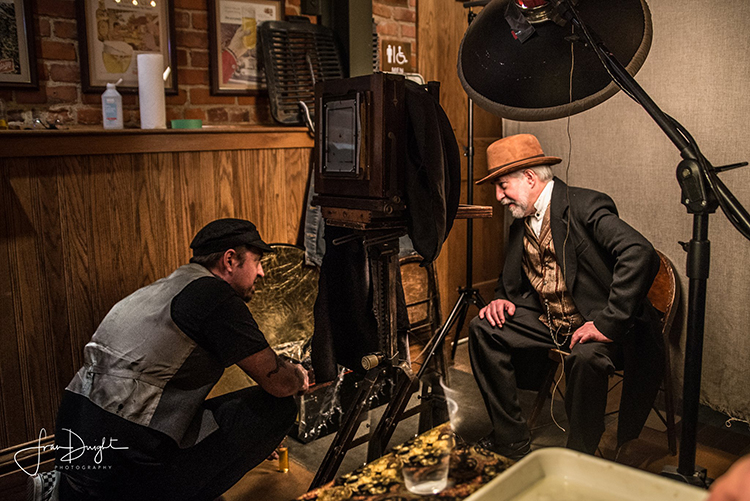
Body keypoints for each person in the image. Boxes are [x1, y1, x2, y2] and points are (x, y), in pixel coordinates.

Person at [52, 218, 310, 501]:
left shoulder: (159, 290)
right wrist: (298, 374)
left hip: (73, 441)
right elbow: (279, 384)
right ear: (230, 260)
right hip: (126, 456)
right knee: (278, 409)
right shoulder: (215, 296)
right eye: (257, 261)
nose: (261, 273)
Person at [469, 134, 663, 459]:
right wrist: (503, 298)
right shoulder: (521, 218)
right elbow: (516, 275)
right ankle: (511, 440)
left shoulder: (585, 205)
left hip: (599, 323)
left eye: (503, 186)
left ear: (529, 178)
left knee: (585, 360)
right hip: (552, 321)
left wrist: (607, 322)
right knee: (482, 328)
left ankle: (579, 457)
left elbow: (639, 252)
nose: (499, 197)